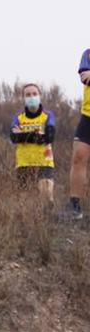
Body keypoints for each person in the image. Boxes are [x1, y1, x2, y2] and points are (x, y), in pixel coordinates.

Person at [11, 83, 57, 206]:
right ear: (23, 98)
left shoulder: (48, 116)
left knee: (46, 196)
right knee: (24, 202)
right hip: (23, 162)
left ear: (40, 96)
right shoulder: (18, 118)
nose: (31, 97)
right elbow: (14, 137)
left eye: (34, 94)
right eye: (28, 95)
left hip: (44, 161)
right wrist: (37, 134)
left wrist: (24, 135)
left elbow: (49, 137)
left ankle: (49, 221)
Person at [66, 49, 90, 221]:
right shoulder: (88, 54)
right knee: (78, 157)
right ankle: (75, 207)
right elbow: (86, 78)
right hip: (88, 115)